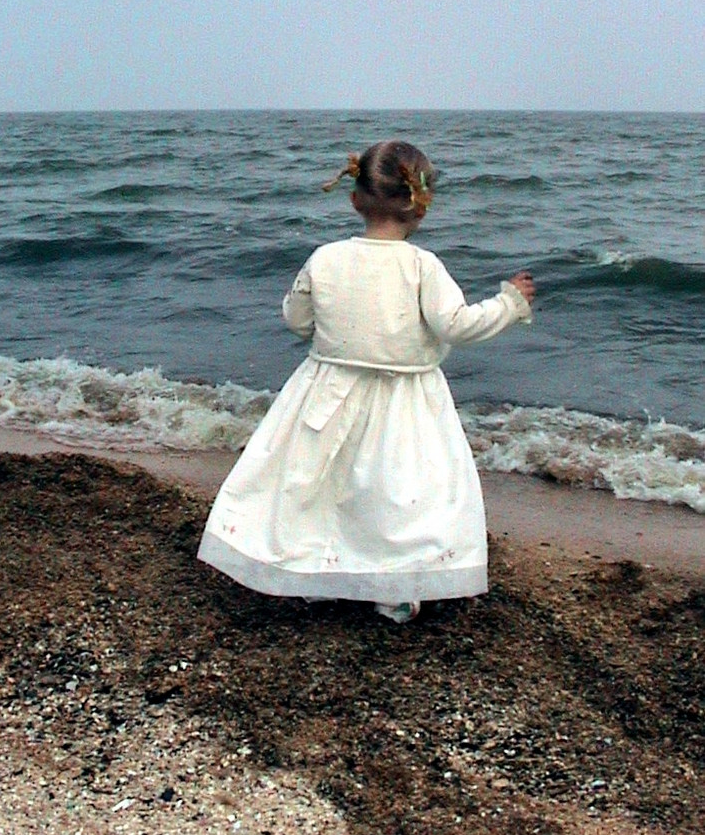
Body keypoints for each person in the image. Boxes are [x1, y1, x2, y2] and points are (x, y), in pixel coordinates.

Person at [197, 140, 535, 623]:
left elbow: (296, 319)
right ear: (420, 207)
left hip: (327, 392)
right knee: (395, 496)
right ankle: (394, 586)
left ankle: (315, 574)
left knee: (320, 486)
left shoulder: (325, 258)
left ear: (355, 198)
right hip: (406, 400)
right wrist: (509, 304)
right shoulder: (423, 266)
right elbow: (457, 325)